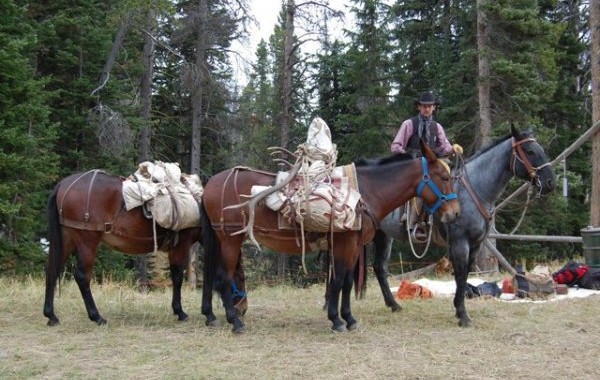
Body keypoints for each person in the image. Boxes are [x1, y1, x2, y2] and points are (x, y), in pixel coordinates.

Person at [391, 91, 462, 242]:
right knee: (423, 185)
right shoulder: (409, 124)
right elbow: (396, 146)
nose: (427, 109)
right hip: (414, 164)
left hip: (432, 164)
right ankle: (415, 223)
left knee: (448, 178)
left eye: (430, 106)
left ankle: (449, 214)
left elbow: (444, 148)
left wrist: (453, 149)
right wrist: (409, 158)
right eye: (424, 106)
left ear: (434, 108)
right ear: (419, 107)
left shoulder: (437, 127)